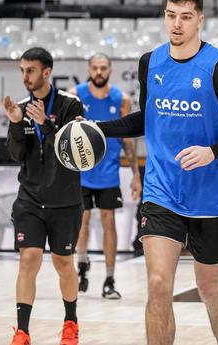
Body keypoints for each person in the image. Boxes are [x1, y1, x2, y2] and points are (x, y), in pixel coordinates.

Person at [91, 0, 218, 344]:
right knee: (158, 284)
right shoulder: (151, 62)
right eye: (171, 15)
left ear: (199, 20)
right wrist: (97, 128)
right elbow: (147, 119)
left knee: (209, 286)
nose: (177, 24)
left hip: (212, 195)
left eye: (186, 17)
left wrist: (212, 151)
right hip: (163, 191)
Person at [3, 47, 83, 345]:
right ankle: (22, 331)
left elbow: (74, 147)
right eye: (22, 70)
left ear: (46, 72)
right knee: (29, 259)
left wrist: (46, 125)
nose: (25, 76)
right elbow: (17, 154)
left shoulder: (71, 105)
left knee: (64, 262)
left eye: (30, 70)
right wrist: (15, 123)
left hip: (65, 200)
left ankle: (71, 322)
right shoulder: (21, 107)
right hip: (30, 199)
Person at [69, 53, 142, 298]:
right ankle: (81, 267)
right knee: (82, 221)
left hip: (108, 172)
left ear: (110, 70)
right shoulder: (76, 95)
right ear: (89, 69)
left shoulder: (121, 99)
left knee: (109, 222)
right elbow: (67, 135)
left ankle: (110, 279)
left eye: (103, 68)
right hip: (81, 172)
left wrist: (135, 175)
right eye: (95, 68)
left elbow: (129, 139)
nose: (99, 72)